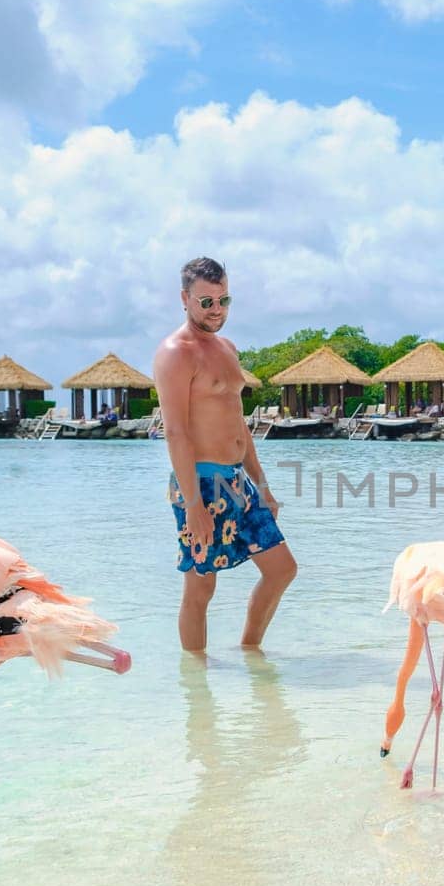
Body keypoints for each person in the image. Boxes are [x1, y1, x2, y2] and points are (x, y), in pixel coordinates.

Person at [153, 256, 296, 653]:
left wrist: (262, 485)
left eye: (224, 300)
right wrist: (194, 504)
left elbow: (239, 425)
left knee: (282, 570)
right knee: (201, 587)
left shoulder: (227, 348)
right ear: (184, 298)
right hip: (198, 482)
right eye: (206, 302)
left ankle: (251, 654)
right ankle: (196, 689)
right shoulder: (175, 353)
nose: (217, 310)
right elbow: (177, 433)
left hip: (238, 482)